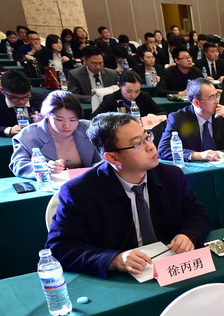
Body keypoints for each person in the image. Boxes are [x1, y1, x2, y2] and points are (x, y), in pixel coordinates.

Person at [46, 113, 210, 278]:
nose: (151, 146)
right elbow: (60, 247)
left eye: (147, 137)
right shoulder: (80, 192)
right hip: (120, 278)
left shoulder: (170, 175)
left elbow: (196, 212)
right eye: (138, 144)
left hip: (169, 266)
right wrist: (114, 259)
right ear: (113, 158)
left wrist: (189, 234)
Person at [10, 91, 102, 178]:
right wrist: (44, 168)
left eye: (73, 119)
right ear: (47, 115)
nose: (67, 125)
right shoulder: (27, 135)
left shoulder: (90, 128)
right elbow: (18, 165)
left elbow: (106, 157)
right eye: (59, 119)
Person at [158, 79, 224, 162]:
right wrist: (198, 155)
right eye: (211, 98)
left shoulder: (222, 115)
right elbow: (163, 150)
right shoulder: (178, 118)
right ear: (197, 103)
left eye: (217, 95)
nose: (217, 101)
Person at [0, 70, 49, 137]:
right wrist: (8, 130)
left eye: (25, 97)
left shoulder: (42, 98)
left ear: (31, 88)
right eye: (14, 97)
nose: (21, 101)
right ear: (2, 90)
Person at [94, 71, 162, 117]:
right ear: (119, 85)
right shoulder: (110, 99)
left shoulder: (144, 96)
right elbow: (95, 117)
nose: (133, 95)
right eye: (129, 91)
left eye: (137, 91)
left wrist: (152, 118)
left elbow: (162, 113)